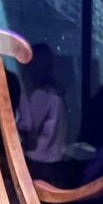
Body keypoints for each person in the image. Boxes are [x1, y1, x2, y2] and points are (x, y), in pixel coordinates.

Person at [18, 43, 67, 183]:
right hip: (55, 161)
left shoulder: (41, 95)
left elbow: (28, 125)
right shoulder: (56, 93)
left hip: (39, 162)